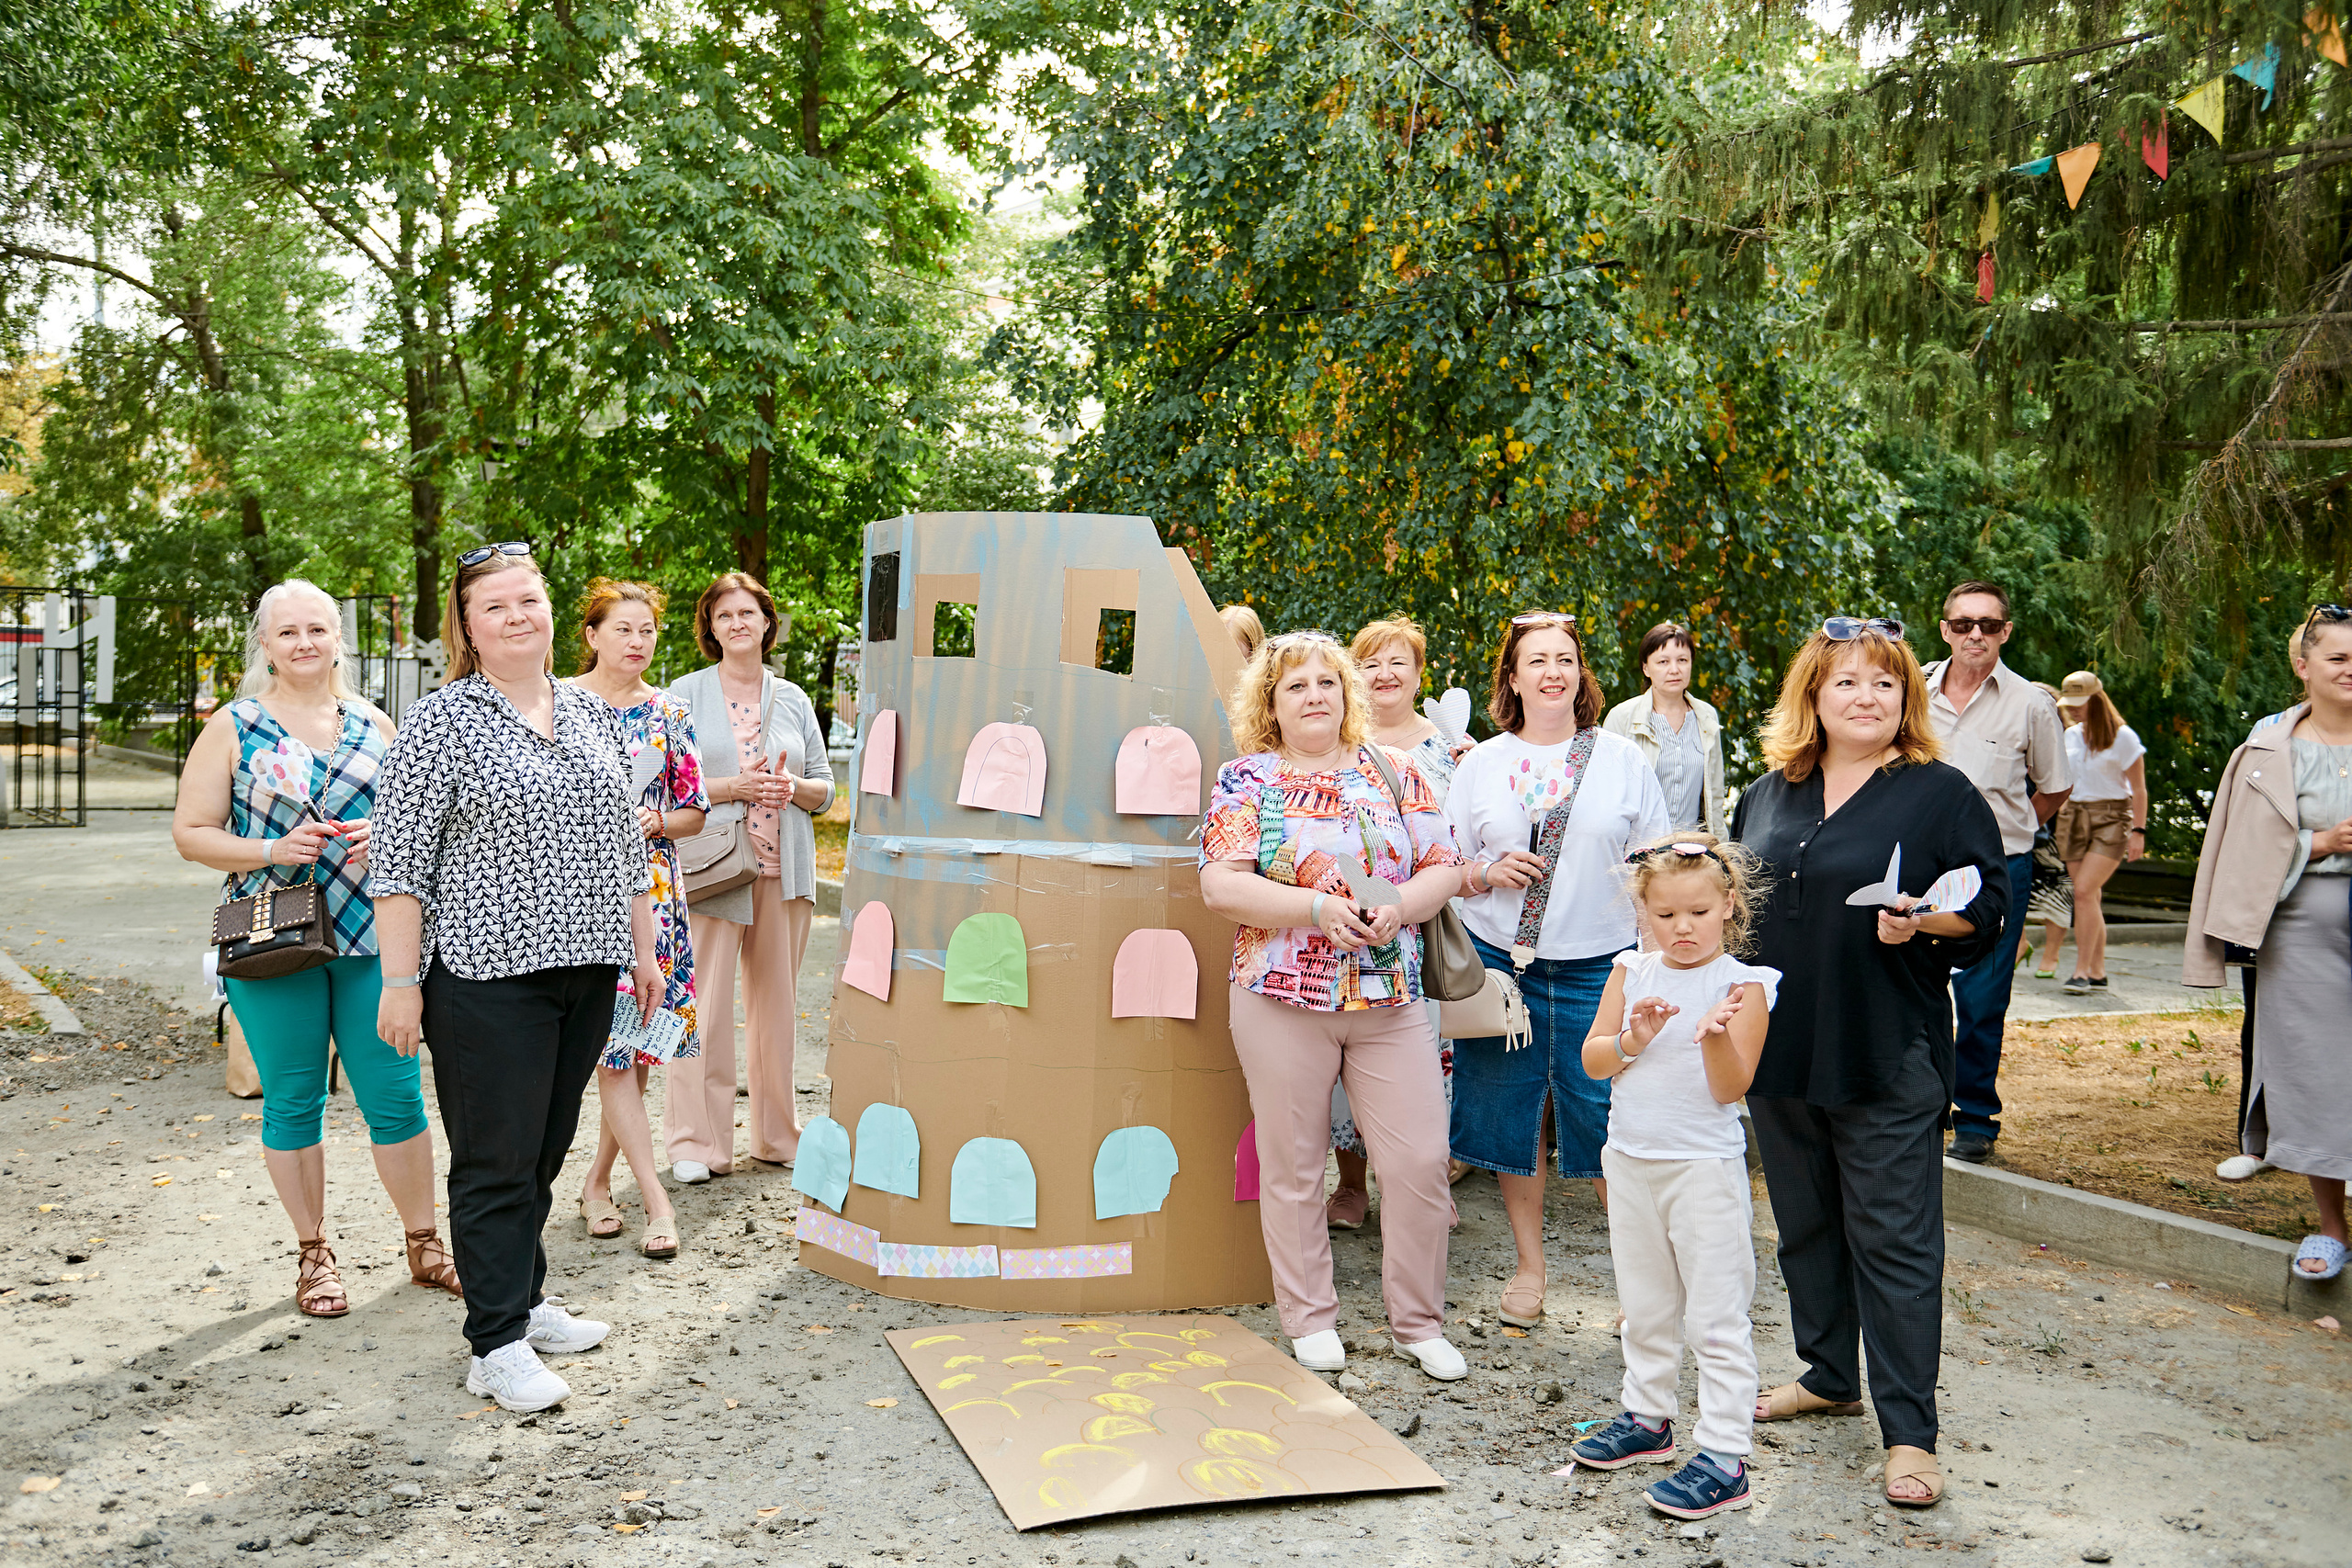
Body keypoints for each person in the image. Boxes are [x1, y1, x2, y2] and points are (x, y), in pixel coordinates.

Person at [369, 542, 662, 1413]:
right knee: (495, 1157)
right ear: (467, 626)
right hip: (484, 973)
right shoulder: (440, 720)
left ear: (549, 609)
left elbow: (624, 845)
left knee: (542, 1146)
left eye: (527, 600)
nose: (516, 617)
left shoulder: (587, 711)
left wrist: (643, 951)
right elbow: (397, 860)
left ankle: (525, 1300)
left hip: (589, 966)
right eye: (494, 606)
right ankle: (493, 1343)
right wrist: (399, 981)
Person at [1733, 615, 2007, 1511]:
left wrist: (1922, 919)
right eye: (1846, 682)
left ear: (1905, 699)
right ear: (1812, 693)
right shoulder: (1769, 791)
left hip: (1887, 1055)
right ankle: (1825, 1373)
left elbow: (1986, 911)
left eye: (1884, 684)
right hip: (1778, 1054)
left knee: (1894, 1244)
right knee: (1806, 1228)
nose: (1866, 697)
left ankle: (1909, 1434)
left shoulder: (1940, 793)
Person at [170, 580, 456, 1319]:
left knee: (394, 1096)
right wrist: (269, 847)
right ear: (264, 643)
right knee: (294, 1100)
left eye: (317, 630)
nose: (304, 643)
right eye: (288, 631)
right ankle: (314, 1253)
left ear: (338, 639)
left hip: (371, 935)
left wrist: (381, 835)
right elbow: (191, 832)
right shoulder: (234, 726)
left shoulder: (374, 722)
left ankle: (425, 1243)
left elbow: (416, 819)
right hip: (272, 934)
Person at [1199, 631, 1468, 1381]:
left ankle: (1418, 1322)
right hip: (1279, 998)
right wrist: (1316, 907)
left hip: (1391, 997)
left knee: (1417, 1162)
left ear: (1346, 691)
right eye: (1296, 686)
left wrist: (1401, 907)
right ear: (1271, 704)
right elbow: (1221, 884)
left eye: (1326, 680)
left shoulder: (1398, 770)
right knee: (1294, 1164)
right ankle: (1309, 1317)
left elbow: (1444, 865)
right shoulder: (1246, 779)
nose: (1315, 693)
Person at [1446, 612, 1669, 1328]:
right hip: (1498, 969)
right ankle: (1529, 1269)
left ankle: (1639, 1288)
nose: (1551, 671)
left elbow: (1658, 865)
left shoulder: (1622, 759)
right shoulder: (1479, 764)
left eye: (1564, 659)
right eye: (1535, 660)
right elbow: (1444, 865)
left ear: (1581, 673)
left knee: (1609, 1123)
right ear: (1511, 677)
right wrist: (1484, 870)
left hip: (1599, 965)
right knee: (1511, 1118)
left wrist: (1655, 961)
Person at [1569, 833, 1777, 1521]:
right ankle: (1648, 1418)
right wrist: (1634, 1038)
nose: (1681, 927)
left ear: (1728, 906)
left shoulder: (1745, 986)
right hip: (1629, 1160)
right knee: (1647, 1303)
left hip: (1702, 1170)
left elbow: (1730, 1089)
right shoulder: (1632, 970)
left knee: (1716, 1316)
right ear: (1642, 912)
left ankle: (1724, 1454)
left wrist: (1713, 1032)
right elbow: (1594, 1061)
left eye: (1696, 912)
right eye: (1665, 915)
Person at [2184, 604, 2352, 1280]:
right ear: (2304, 665)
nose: (2350, 670)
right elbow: (2238, 849)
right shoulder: (2265, 750)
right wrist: (2321, 842)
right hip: (2303, 930)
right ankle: (2332, 1228)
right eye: (2338, 658)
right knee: (2312, 1068)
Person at [669, 572, 835, 1180]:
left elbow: (826, 792)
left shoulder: (792, 698)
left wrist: (794, 789)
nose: (737, 623)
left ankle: (775, 1135)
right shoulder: (683, 694)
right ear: (711, 630)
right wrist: (735, 787)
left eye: (747, 612)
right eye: (723, 616)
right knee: (704, 1009)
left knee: (776, 1011)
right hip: (714, 870)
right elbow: (669, 784)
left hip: (782, 873)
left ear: (767, 621)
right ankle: (696, 1142)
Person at [568, 581, 709, 1258]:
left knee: (632, 1049)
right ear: (592, 634)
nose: (638, 640)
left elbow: (695, 809)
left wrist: (660, 819)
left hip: (654, 892)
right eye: (623, 628)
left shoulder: (669, 711)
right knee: (611, 1049)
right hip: (578, 894)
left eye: (648, 629)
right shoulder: (557, 705)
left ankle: (597, 1181)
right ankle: (655, 1198)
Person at [1325, 615, 1474, 1228]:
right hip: (1340, 923)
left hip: (1419, 925)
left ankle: (1421, 1189)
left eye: (1398, 663)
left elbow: (1467, 838)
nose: (1384, 674)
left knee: (1423, 1058)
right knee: (1339, 1059)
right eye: (1370, 663)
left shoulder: (1452, 750)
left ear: (1418, 674)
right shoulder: (1333, 739)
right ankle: (1352, 1187)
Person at [1919, 581, 2070, 1164]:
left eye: (1987, 624)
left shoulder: (2032, 703)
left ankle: (1975, 1115)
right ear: (1945, 629)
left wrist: (2004, 837)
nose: (1974, 634)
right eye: (1962, 624)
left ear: (2005, 631)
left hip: (1996, 868)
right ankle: (1923, 1107)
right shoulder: (1912, 692)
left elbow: (2055, 786)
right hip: (1922, 867)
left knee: (1981, 996)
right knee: (1916, 988)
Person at [2044, 671, 2147, 996]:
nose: (2072, 710)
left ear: (2096, 701)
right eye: (2069, 704)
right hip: (2073, 816)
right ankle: (2099, 971)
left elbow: (2140, 790)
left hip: (2112, 817)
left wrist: (2138, 831)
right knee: (2090, 897)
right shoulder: (2071, 736)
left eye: (2079, 704)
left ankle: (2082, 972)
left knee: (2085, 892)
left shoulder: (2124, 737)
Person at [1603, 623, 1727, 837]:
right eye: (1663, 662)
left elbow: (1714, 799)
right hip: (1640, 855)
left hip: (1692, 854)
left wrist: (1721, 854)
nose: (1674, 670)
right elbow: (1607, 797)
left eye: (1682, 660)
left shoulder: (1706, 717)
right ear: (1646, 668)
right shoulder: (1622, 718)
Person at [2019, 682, 2074, 978]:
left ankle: (2051, 956)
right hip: (2021, 830)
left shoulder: (2062, 742)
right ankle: (2020, 944)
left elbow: (2061, 790)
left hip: (2046, 832)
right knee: (2014, 896)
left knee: (2059, 891)